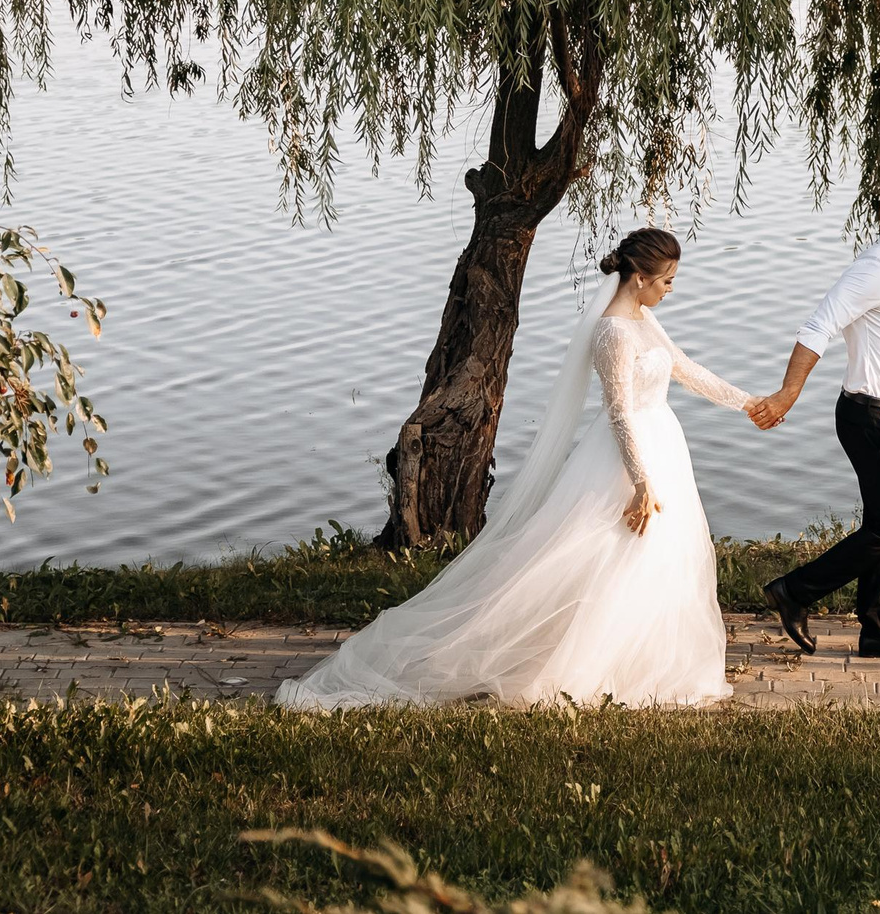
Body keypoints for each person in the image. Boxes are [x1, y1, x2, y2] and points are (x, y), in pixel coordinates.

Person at [276, 227, 773, 709]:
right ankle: (586, 663)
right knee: (603, 553)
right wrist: (641, 482)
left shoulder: (646, 321)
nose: (670, 291)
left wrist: (748, 403)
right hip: (628, 455)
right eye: (667, 281)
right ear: (640, 277)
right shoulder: (614, 333)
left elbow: (686, 368)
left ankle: (648, 659)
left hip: (662, 445)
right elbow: (619, 410)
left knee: (657, 557)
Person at [749, 183, 880, 659]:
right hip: (869, 418)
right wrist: (787, 394)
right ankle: (795, 591)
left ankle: (878, 629)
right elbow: (817, 327)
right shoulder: (872, 272)